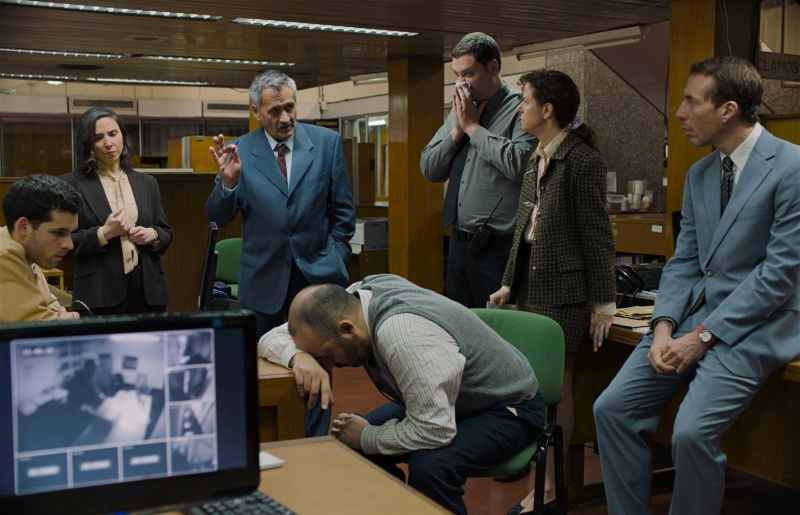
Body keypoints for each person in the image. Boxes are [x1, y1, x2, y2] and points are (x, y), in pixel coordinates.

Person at [594, 56, 800, 514]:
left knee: (689, 434)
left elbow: (779, 275)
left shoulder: (792, 167)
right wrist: (663, 326)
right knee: (612, 410)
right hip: (690, 320)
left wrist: (703, 337)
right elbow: (685, 261)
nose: (680, 113)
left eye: (691, 101)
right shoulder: (700, 173)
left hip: (758, 324)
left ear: (728, 109)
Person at [258, 274, 545, 515]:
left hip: (508, 407)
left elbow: (435, 429)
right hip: (452, 397)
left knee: (430, 467)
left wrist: (367, 436)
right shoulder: (353, 300)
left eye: (326, 356)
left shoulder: (404, 337)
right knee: (351, 447)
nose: (328, 366)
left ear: (347, 330)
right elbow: (269, 338)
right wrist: (299, 357)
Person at [490, 69, 616, 514]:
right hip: (532, 290)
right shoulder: (537, 157)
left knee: (556, 389)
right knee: (533, 389)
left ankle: (550, 486)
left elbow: (597, 237)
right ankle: (541, 480)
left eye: (524, 101)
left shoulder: (582, 161)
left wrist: (604, 303)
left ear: (547, 109)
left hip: (565, 295)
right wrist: (509, 283)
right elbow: (523, 231)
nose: (519, 109)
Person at [206, 69, 355, 338]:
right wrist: (228, 184)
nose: (285, 118)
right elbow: (217, 217)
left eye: (289, 107)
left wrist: (336, 257)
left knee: (319, 358)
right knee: (261, 359)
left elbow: (343, 213)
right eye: (274, 111)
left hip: (318, 277)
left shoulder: (327, 143)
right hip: (261, 281)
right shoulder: (238, 151)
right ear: (256, 111)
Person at [421, 32, 537, 308]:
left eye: (469, 74)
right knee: (460, 322)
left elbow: (520, 165)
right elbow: (429, 168)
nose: (461, 84)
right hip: (459, 243)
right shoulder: (460, 111)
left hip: (500, 247)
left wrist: (474, 128)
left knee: (497, 326)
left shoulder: (520, 108)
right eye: (456, 75)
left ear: (493, 68)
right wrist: (457, 131)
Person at [62, 107, 172, 316]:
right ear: (88, 144)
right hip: (99, 292)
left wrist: (153, 234)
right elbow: (63, 243)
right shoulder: (71, 184)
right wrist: (103, 234)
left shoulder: (147, 182)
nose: (108, 143)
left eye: (113, 134)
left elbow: (166, 232)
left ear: (123, 135)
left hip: (149, 291)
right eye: (98, 137)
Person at [1, 174, 82, 322]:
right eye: (58, 233)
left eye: (70, 233)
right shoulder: (5, 254)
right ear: (24, 227)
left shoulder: (29, 253)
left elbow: (51, 309)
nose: (69, 245)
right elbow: (41, 328)